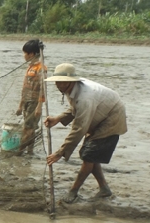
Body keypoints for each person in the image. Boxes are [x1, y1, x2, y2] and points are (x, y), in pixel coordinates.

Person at [44, 63, 127, 203]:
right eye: (56, 81)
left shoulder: (85, 97)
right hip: (100, 115)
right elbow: (74, 110)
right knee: (90, 155)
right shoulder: (73, 91)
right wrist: (58, 119)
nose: (57, 85)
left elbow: (79, 128)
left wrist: (60, 152)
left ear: (70, 81)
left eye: (61, 82)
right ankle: (104, 189)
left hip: (111, 119)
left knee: (89, 156)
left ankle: (73, 191)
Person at [15, 39, 46, 155]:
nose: (24, 56)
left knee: (28, 129)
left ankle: (19, 153)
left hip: (34, 102)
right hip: (27, 102)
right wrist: (20, 105)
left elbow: (43, 89)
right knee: (29, 128)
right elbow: (25, 88)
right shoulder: (30, 67)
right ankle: (30, 152)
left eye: (25, 53)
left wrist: (39, 106)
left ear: (31, 54)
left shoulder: (41, 68)